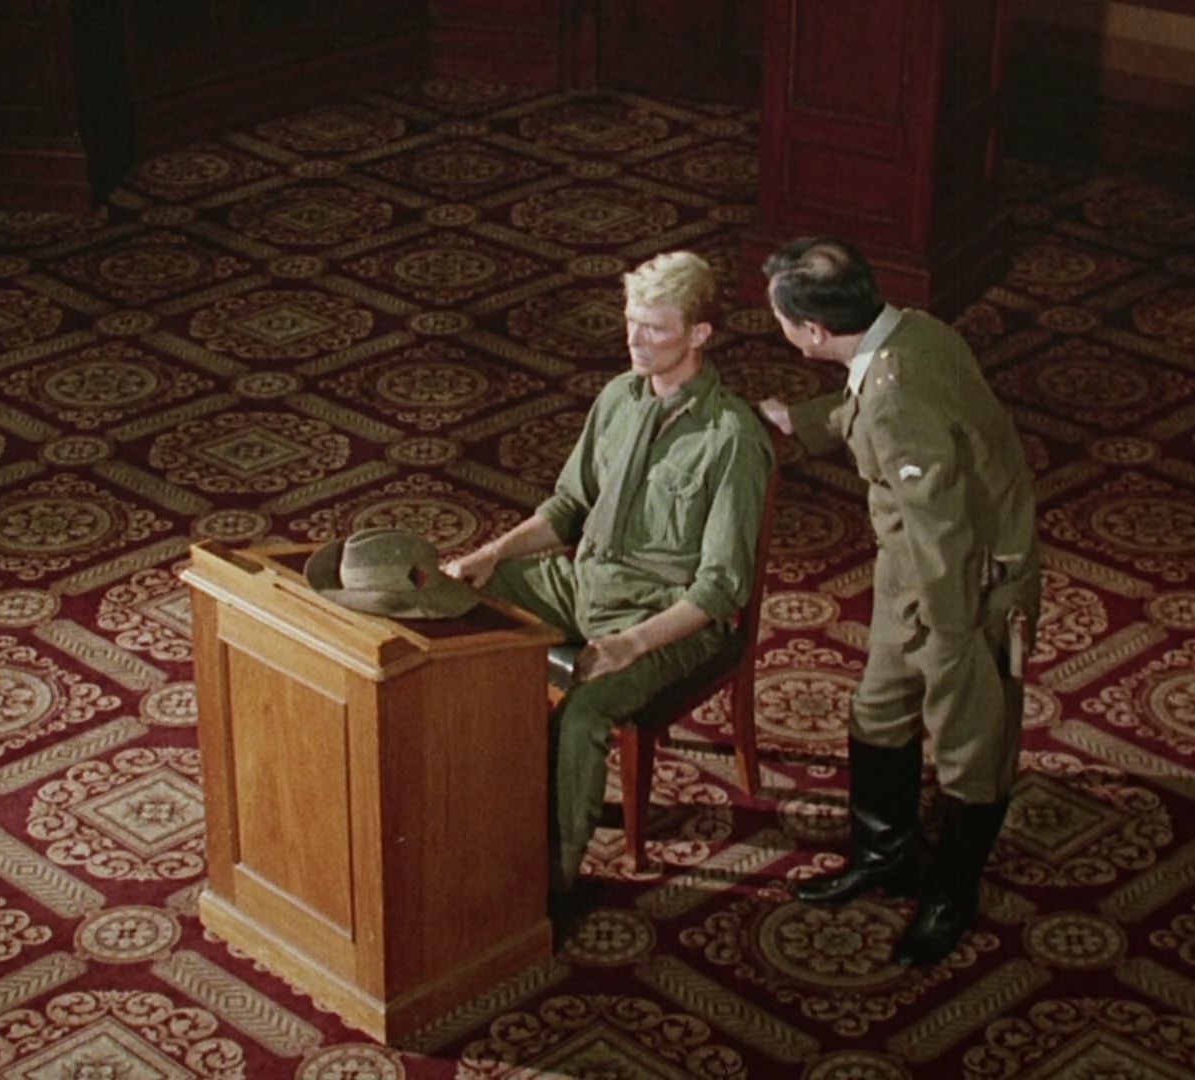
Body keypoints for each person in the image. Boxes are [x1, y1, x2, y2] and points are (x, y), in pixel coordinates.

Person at [445, 250, 772, 930]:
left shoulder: (732, 437)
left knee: (584, 714)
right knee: (459, 604)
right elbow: (568, 507)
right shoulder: (619, 398)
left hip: (666, 617)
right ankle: (473, 812)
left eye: (654, 328)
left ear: (699, 334)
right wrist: (491, 554)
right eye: (630, 322)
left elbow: (720, 589)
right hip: (585, 582)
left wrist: (631, 644)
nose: (635, 340)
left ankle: (555, 886)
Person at [757, 235, 1040, 968]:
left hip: (964, 585)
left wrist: (950, 635)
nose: (779, 328)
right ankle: (886, 858)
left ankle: (951, 895)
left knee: (970, 744)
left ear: (813, 330)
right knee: (880, 709)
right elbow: (885, 403)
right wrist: (805, 421)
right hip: (910, 567)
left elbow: (940, 525)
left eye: (781, 319)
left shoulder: (892, 399)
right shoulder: (912, 332)